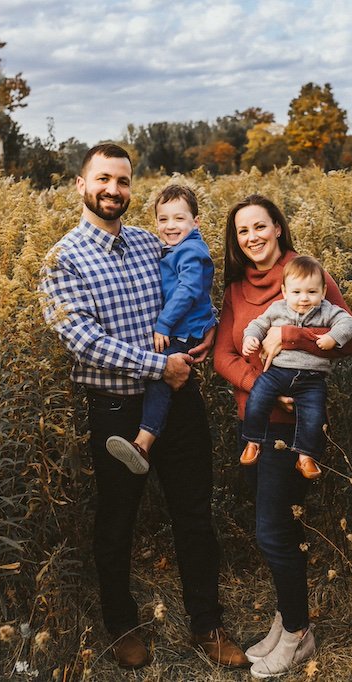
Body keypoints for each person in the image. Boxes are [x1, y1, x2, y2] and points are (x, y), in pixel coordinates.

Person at [39, 143, 247, 670]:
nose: (114, 190)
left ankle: (208, 625)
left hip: (179, 398)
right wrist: (161, 366)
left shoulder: (149, 242)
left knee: (194, 515)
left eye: (124, 181)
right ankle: (122, 626)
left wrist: (206, 338)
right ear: (81, 186)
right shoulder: (63, 259)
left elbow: (192, 290)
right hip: (115, 408)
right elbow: (82, 340)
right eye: (103, 179)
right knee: (117, 520)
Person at [213, 195, 352, 678]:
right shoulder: (236, 289)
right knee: (277, 528)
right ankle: (285, 621)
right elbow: (222, 356)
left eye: (261, 226)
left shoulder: (306, 275)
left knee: (273, 531)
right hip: (256, 420)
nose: (252, 237)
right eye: (243, 231)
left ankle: (298, 635)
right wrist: (266, 388)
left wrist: (291, 338)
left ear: (278, 228)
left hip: (294, 429)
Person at [105, 184, 217, 474]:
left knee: (159, 379)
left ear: (196, 222)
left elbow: (190, 289)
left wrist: (163, 324)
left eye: (179, 219)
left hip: (183, 331)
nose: (170, 226)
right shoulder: (175, 248)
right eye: (163, 219)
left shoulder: (191, 251)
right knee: (160, 378)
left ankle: (143, 442)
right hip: (185, 326)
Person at [240, 255, 352, 480]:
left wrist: (333, 337)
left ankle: (305, 457)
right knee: (257, 397)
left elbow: (350, 323)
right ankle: (253, 441)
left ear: (323, 292)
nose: (304, 299)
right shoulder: (277, 309)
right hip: (277, 372)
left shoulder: (327, 310)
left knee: (314, 415)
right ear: (285, 292)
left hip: (312, 379)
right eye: (296, 292)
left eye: (311, 292)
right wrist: (250, 339)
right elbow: (257, 324)